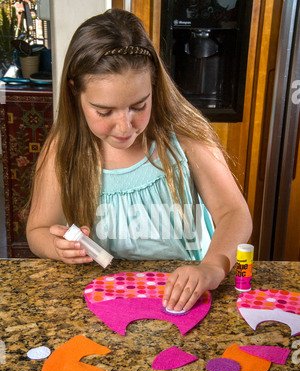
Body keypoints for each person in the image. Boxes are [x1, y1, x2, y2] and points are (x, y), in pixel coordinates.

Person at [26, 8, 252, 313]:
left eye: (138, 106)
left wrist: (211, 267)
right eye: (104, 112)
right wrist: (56, 247)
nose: (124, 126)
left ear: (154, 86)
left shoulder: (185, 138)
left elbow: (234, 213)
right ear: (74, 92)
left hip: (183, 298)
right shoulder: (63, 148)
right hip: (106, 299)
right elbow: (37, 231)